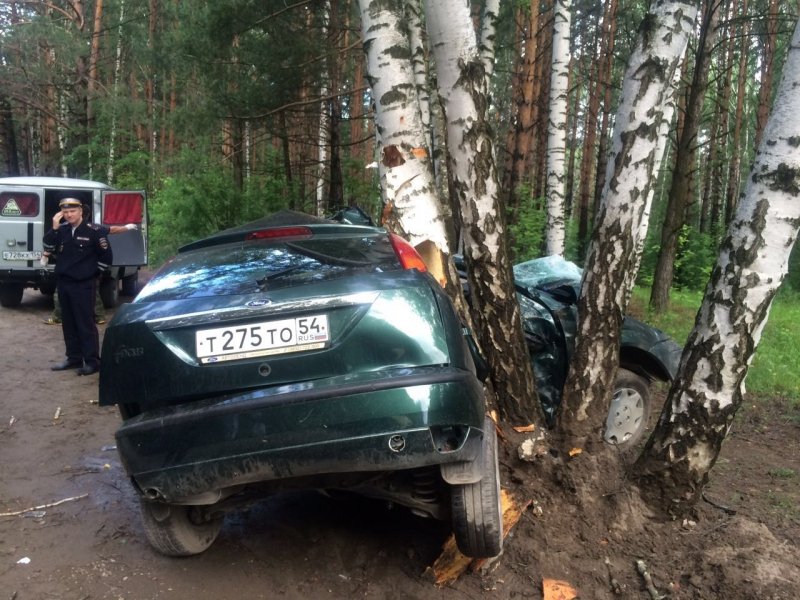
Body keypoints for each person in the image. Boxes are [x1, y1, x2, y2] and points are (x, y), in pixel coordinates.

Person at [44, 198, 114, 376]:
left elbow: (106, 257)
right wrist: (54, 226)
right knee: (68, 323)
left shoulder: (94, 231)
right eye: (65, 212)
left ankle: (92, 361)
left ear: (81, 211)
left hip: (84, 284)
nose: (69, 215)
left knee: (85, 323)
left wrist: (93, 275)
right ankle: (73, 358)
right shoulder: (62, 230)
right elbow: (48, 246)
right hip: (64, 283)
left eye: (72, 211)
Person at [42, 221, 136, 325]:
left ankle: (59, 317)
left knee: (60, 294)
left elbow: (52, 243)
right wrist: (128, 227)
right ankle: (99, 317)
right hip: (87, 270)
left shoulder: (66, 228)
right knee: (93, 293)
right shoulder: (94, 229)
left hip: (74, 271)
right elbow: (113, 230)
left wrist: (45, 255)